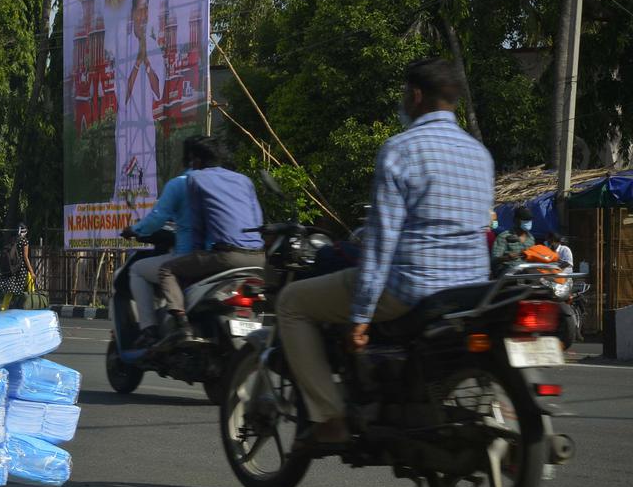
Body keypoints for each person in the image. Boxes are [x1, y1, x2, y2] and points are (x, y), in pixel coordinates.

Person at [276, 58, 493, 447]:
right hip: (470, 291)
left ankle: (329, 417)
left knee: (292, 302)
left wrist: (359, 317)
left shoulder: (401, 149)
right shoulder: (479, 154)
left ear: (415, 95)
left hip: (412, 288)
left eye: (403, 95)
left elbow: (381, 244)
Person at [156, 137, 266, 343]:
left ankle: (182, 325)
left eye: (191, 160)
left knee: (167, 270)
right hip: (258, 259)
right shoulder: (244, 180)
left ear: (196, 161)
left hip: (227, 256)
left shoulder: (196, 179)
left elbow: (197, 224)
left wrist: (193, 253)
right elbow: (258, 219)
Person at [118, 136, 205, 348]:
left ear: (192, 159)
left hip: (187, 255)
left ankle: (149, 330)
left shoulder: (181, 184)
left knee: (137, 270)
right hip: (216, 255)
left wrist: (134, 230)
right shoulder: (222, 184)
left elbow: (157, 219)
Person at [107, 0, 163, 205]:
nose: (143, 14)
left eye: (146, 8)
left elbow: (159, 91)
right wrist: (138, 62)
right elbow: (123, 97)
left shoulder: (154, 47)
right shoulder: (122, 48)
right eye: (139, 9)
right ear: (132, 13)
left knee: (147, 189)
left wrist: (147, 61)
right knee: (126, 190)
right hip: (126, 129)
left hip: (146, 128)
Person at [0, 223, 35, 311]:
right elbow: (25, 258)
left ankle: (3, 308)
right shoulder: (24, 241)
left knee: (10, 289)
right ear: (25, 232)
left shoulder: (14, 239)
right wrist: (32, 271)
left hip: (13, 267)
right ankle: (32, 307)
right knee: (30, 287)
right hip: (21, 269)